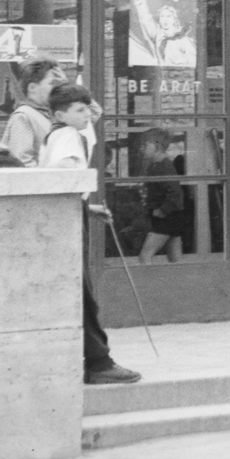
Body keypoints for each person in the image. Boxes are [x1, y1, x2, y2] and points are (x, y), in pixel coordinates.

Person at [39, 83, 142, 385]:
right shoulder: (69, 136)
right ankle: (99, 362)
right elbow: (65, 178)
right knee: (83, 296)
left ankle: (93, 360)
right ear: (60, 114)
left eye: (87, 108)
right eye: (79, 110)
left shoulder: (59, 133)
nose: (88, 114)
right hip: (67, 219)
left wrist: (88, 208)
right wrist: (80, 207)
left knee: (79, 294)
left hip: (70, 214)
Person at [139, 130, 189, 264]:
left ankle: (146, 283)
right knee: (175, 258)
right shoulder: (156, 166)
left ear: (157, 147)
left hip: (166, 217)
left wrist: (162, 210)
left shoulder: (163, 167)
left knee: (145, 255)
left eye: (145, 145)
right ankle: (181, 282)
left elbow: (175, 193)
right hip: (172, 216)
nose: (141, 149)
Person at [2, 57, 64, 166]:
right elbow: (21, 163)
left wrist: (67, 87)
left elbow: (92, 114)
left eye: (60, 84)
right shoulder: (23, 116)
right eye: (53, 83)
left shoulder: (54, 114)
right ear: (32, 88)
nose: (58, 88)